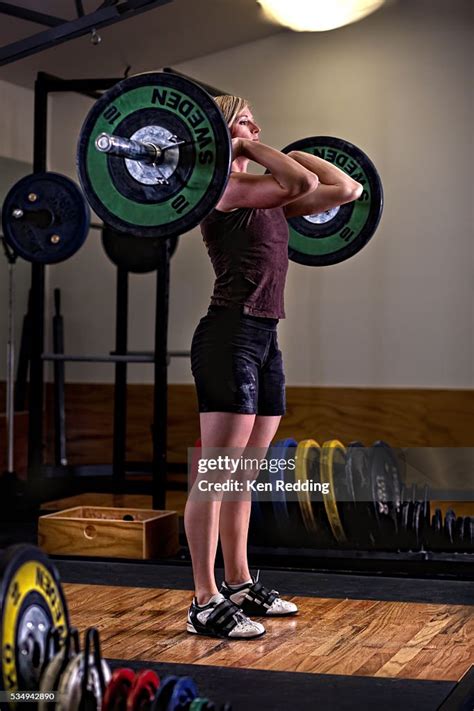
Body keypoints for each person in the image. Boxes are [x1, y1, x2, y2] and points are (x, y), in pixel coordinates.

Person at [184, 96, 363, 639]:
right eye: (245, 119)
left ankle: (237, 583)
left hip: (264, 337)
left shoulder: (266, 200)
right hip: (229, 336)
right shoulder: (224, 192)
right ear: (223, 134)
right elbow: (302, 185)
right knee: (214, 475)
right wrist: (244, 148)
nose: (257, 127)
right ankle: (203, 599)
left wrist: (286, 150)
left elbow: (345, 189)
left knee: (243, 475)